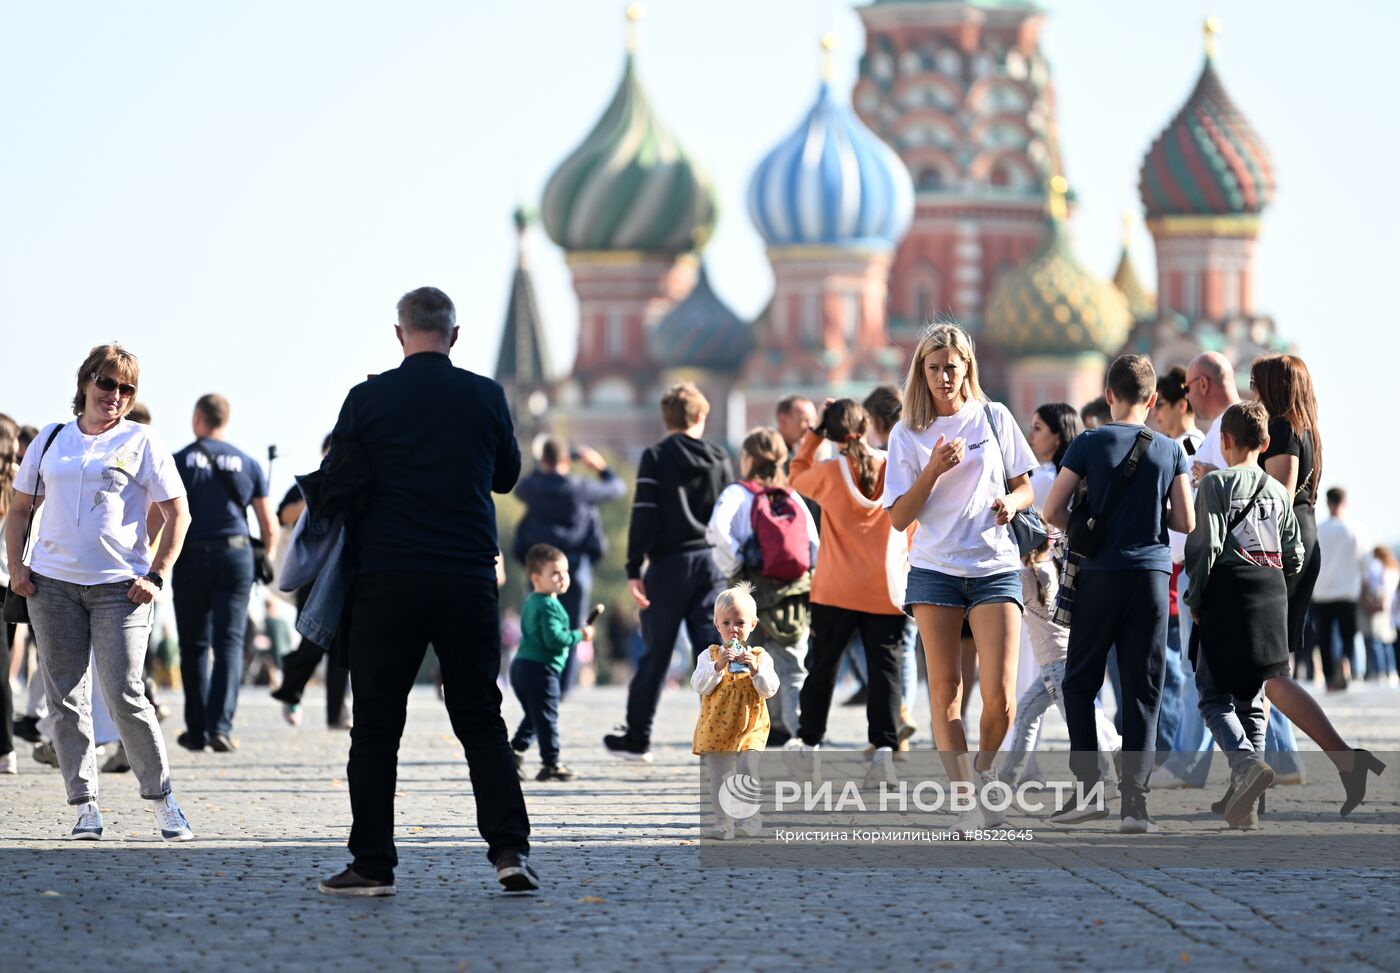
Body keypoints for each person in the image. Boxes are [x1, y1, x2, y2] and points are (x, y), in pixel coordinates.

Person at [316, 286, 534, 898]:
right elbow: (507, 476)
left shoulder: (367, 397)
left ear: (399, 334)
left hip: (388, 579)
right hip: (466, 575)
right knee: (480, 717)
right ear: (455, 336)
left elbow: (338, 477)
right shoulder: (485, 395)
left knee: (378, 725)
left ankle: (373, 864)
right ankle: (510, 851)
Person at [4, 343, 194, 840]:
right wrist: (17, 568)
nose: (115, 394)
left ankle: (162, 799)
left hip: (120, 589)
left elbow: (178, 513)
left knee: (126, 693)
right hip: (52, 585)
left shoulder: (142, 440)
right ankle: (85, 805)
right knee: (64, 697)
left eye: (126, 388)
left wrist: (155, 573)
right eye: (106, 382)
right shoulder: (52, 439)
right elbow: (20, 508)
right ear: (86, 382)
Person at [884, 324, 1037, 833]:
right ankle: (967, 799)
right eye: (933, 368)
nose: (944, 377)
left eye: (953, 366)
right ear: (921, 374)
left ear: (968, 367)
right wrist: (932, 470)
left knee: (1002, 697)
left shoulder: (994, 416)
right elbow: (899, 517)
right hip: (934, 570)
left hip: (994, 565)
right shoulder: (906, 433)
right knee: (946, 691)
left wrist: (1009, 504)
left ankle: (984, 774)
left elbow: (1025, 488)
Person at [1043, 354, 1194, 832]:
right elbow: (1185, 522)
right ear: (1152, 400)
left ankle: (1089, 791)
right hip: (1151, 577)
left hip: (1100, 576)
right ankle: (1136, 804)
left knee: (1080, 683)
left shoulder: (1087, 442)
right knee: (1142, 689)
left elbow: (1052, 509)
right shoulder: (1171, 449)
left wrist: (1085, 533)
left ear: (1109, 395)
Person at [1184, 401, 1305, 829]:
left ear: (1225, 441)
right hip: (1271, 594)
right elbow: (1295, 553)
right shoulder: (1276, 489)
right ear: (1266, 442)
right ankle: (1247, 807)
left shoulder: (1215, 483)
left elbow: (1205, 546)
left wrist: (1195, 598)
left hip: (1228, 593)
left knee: (1212, 693)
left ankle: (1245, 764)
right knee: (1255, 699)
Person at [607, 382, 734, 763]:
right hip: (711, 563)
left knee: (656, 653)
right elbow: (730, 514)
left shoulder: (656, 456)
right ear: (700, 416)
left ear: (667, 418)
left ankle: (637, 738)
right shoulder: (720, 458)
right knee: (714, 652)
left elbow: (643, 511)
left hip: (667, 565)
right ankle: (724, 737)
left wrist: (633, 566)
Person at [794, 399, 911, 786]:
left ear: (831, 434)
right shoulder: (893, 466)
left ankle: (809, 748)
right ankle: (883, 757)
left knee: (823, 670)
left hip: (835, 590)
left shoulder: (829, 472)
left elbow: (795, 475)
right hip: (884, 588)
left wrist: (813, 437)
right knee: (885, 673)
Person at [170, 394, 277, 753]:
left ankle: (196, 730)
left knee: (194, 645)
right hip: (235, 556)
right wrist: (266, 557)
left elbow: (164, 514)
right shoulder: (247, 463)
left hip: (191, 556)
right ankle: (221, 727)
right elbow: (268, 525)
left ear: (198, 417)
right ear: (225, 421)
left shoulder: (180, 460)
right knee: (229, 643)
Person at [705, 427, 818, 748]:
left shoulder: (737, 494)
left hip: (747, 594)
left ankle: (748, 734)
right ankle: (800, 736)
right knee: (792, 668)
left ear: (749, 458)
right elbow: (813, 544)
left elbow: (716, 527)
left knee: (742, 663)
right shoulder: (790, 495)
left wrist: (734, 562)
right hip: (793, 594)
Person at [999, 537, 1119, 787]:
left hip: (1056, 663)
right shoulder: (1054, 568)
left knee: (1079, 719)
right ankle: (1007, 777)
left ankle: (1108, 776)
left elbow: (1000, 604)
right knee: (1027, 711)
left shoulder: (1027, 577)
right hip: (1064, 659)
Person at [512, 438, 625, 695]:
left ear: (543, 461)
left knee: (537, 623)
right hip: (574, 565)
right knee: (573, 627)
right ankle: (560, 688)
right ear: (566, 461)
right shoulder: (579, 488)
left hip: (539, 565)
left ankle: (537, 681)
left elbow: (520, 488)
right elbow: (616, 488)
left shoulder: (534, 488)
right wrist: (600, 467)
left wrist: (542, 466)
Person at [271, 433, 351, 729]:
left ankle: (337, 713)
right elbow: (282, 515)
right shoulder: (307, 484)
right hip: (311, 576)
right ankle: (292, 682)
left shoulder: (351, 483)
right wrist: (313, 499)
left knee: (342, 646)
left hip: (343, 572)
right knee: (314, 640)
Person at [692, 581, 779, 839]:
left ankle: (751, 817)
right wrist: (717, 667)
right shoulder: (709, 656)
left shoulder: (761, 656)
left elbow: (769, 689)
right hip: (718, 725)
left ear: (752, 625)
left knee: (746, 769)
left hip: (750, 726)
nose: (733, 630)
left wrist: (755, 670)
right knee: (719, 776)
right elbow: (699, 685)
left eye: (740, 623)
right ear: (717, 625)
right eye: (727, 623)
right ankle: (723, 822)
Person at [863, 386, 920, 746]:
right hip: (916, 557)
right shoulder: (916, 448)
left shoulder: (876, 459)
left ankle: (891, 717)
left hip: (884, 562)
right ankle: (903, 715)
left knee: (881, 649)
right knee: (907, 643)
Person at [509, 544, 593, 782]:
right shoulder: (548, 604)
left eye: (565, 572)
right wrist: (580, 635)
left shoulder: (532, 600)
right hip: (541, 669)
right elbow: (554, 640)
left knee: (536, 715)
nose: (562, 578)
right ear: (536, 578)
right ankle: (551, 762)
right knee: (546, 717)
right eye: (555, 573)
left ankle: (513, 753)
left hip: (522, 667)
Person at [1312, 487, 1368, 688]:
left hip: (1323, 592)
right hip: (1347, 592)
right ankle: (1345, 659)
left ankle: (1329, 678)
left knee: (1324, 639)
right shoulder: (1355, 529)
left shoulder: (1319, 529)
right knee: (1348, 636)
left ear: (1328, 503)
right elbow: (1364, 564)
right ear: (1345, 502)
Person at [0, 414, 20, 773]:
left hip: (8, 580)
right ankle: (5, 749)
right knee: (1, 668)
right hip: (11, 581)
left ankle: (5, 748)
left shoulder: (19, 479)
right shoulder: (22, 478)